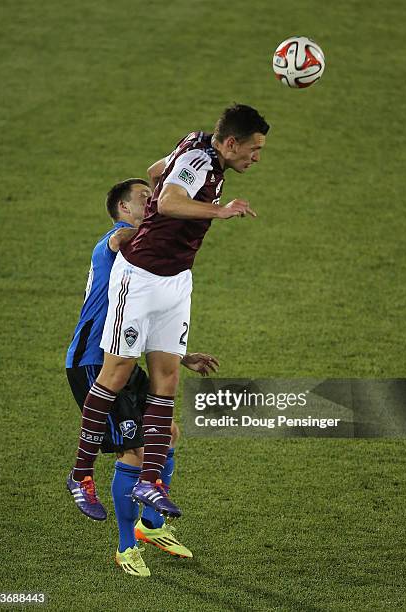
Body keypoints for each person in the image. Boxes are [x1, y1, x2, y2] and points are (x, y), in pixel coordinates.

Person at [69, 103, 269, 520]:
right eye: (253, 149)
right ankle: (80, 473)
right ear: (230, 143)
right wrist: (220, 210)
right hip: (139, 277)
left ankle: (150, 480)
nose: (257, 157)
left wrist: (174, 204)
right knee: (116, 374)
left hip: (176, 280)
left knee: (168, 377)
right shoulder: (199, 159)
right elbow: (171, 200)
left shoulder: (198, 146)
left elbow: (157, 169)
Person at [66, 178, 219, 576]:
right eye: (144, 200)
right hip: (92, 363)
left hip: (126, 358)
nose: (152, 204)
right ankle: (125, 547)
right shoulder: (117, 239)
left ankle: (150, 526)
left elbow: (147, 312)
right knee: (133, 451)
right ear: (123, 209)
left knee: (167, 433)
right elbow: (130, 242)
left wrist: (180, 356)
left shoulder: (144, 257)